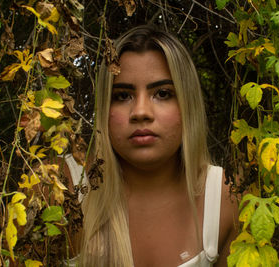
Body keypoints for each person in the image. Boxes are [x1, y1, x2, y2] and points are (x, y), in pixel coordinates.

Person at [66, 25, 238, 267]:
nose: (141, 113)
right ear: (104, 106)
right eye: (123, 96)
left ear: (188, 103)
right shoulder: (65, 189)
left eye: (163, 93)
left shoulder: (225, 198)